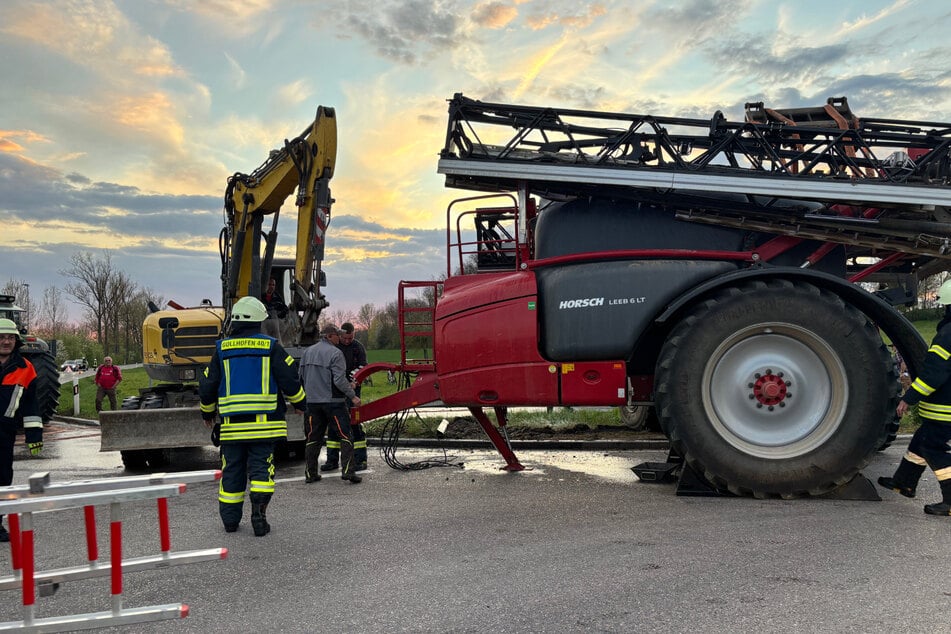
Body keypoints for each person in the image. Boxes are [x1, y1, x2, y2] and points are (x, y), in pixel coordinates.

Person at [199, 296, 307, 536]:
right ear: (259, 321)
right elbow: (289, 379)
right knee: (261, 472)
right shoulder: (270, 347)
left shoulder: (221, 349)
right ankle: (259, 516)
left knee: (232, 473)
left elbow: (207, 385)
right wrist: (300, 403)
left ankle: (230, 522)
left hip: (231, 429)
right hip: (264, 427)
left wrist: (207, 412)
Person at [879, 280, 951, 516]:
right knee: (920, 442)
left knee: (933, 447)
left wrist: (908, 398)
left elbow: (933, 374)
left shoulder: (948, 335)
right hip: (944, 409)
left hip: (945, 409)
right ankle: (904, 482)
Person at [299, 323, 362, 484]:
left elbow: (300, 376)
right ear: (329, 336)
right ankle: (348, 471)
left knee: (313, 437)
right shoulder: (336, 353)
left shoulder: (307, 353)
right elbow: (339, 380)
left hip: (312, 403)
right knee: (346, 435)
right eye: (337, 335)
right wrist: (352, 395)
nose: (339, 338)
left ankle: (310, 473)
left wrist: (300, 402)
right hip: (334, 403)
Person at [0, 318, 43, 542]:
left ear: (16, 341)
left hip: (4, 433)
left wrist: (34, 435)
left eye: (10, 338)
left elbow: (30, 405)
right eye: (1, 337)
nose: (6, 342)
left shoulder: (26, 368)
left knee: (3, 477)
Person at [323, 321, 369, 472]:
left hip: (353, 389)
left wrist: (354, 380)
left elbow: (363, 366)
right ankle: (332, 460)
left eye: (351, 338)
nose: (348, 341)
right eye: (345, 338)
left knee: (354, 422)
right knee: (334, 423)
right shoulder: (334, 347)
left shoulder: (358, 347)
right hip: (336, 390)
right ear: (340, 335)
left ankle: (360, 459)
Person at [261, 277, 288, 342]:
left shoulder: (277, 298)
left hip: (275, 324)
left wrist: (277, 314)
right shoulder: (260, 297)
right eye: (269, 284)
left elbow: (285, 309)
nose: (271, 287)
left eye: (273, 285)